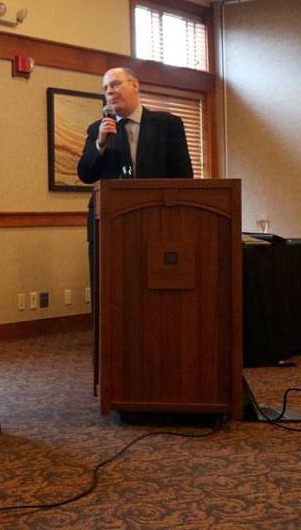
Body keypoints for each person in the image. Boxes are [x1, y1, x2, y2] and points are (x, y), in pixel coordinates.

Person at [77, 67, 193, 388]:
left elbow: (184, 176)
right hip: (109, 224)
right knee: (112, 296)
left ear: (135, 85)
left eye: (115, 84)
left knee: (153, 294)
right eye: (105, 88)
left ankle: (160, 361)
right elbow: (86, 174)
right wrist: (100, 144)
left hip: (157, 224)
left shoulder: (168, 124)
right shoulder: (98, 129)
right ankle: (112, 369)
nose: (110, 92)